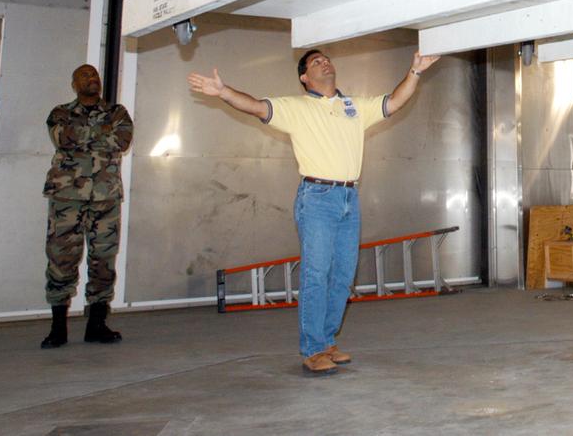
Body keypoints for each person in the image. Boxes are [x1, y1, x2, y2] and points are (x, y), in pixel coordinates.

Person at [188, 48, 439, 376]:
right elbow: (257, 106)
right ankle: (312, 348)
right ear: (304, 78)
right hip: (317, 197)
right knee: (316, 274)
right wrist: (224, 92)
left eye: (326, 59)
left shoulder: (353, 107)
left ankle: (326, 340)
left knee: (343, 275)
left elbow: (393, 102)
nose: (324, 63)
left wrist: (416, 72)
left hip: (350, 197)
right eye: (315, 62)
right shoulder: (297, 108)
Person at [41, 63, 134, 348]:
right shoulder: (60, 112)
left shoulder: (117, 113)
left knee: (103, 260)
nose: (91, 78)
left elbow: (121, 139)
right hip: (66, 198)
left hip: (105, 198)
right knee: (61, 260)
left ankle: (97, 324)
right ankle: (58, 328)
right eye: (84, 75)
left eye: (94, 75)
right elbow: (61, 138)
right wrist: (99, 132)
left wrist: (83, 134)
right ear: (74, 84)